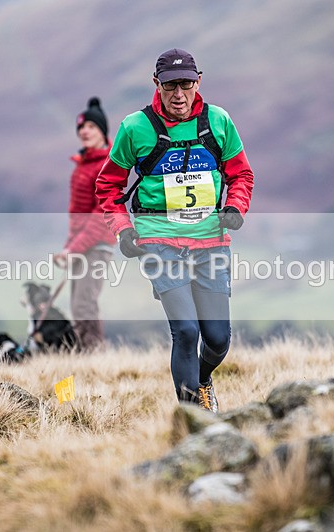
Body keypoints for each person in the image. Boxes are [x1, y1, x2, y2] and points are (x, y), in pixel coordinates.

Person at [96, 49, 254, 412]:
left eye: (185, 84)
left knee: (217, 340)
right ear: (157, 84)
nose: (178, 94)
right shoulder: (135, 127)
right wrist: (122, 229)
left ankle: (201, 380)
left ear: (198, 82)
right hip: (158, 238)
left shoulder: (219, 122)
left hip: (209, 238)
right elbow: (108, 186)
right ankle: (192, 420)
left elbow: (241, 174)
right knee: (186, 331)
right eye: (170, 86)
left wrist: (234, 207)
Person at [52, 97, 116, 350]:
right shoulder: (83, 165)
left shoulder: (106, 165)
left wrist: (72, 249)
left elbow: (100, 216)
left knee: (84, 304)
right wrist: (70, 247)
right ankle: (86, 357)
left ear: (103, 131)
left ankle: (95, 359)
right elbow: (78, 215)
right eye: (81, 128)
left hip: (98, 245)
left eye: (91, 126)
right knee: (78, 305)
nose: (84, 131)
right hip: (82, 244)